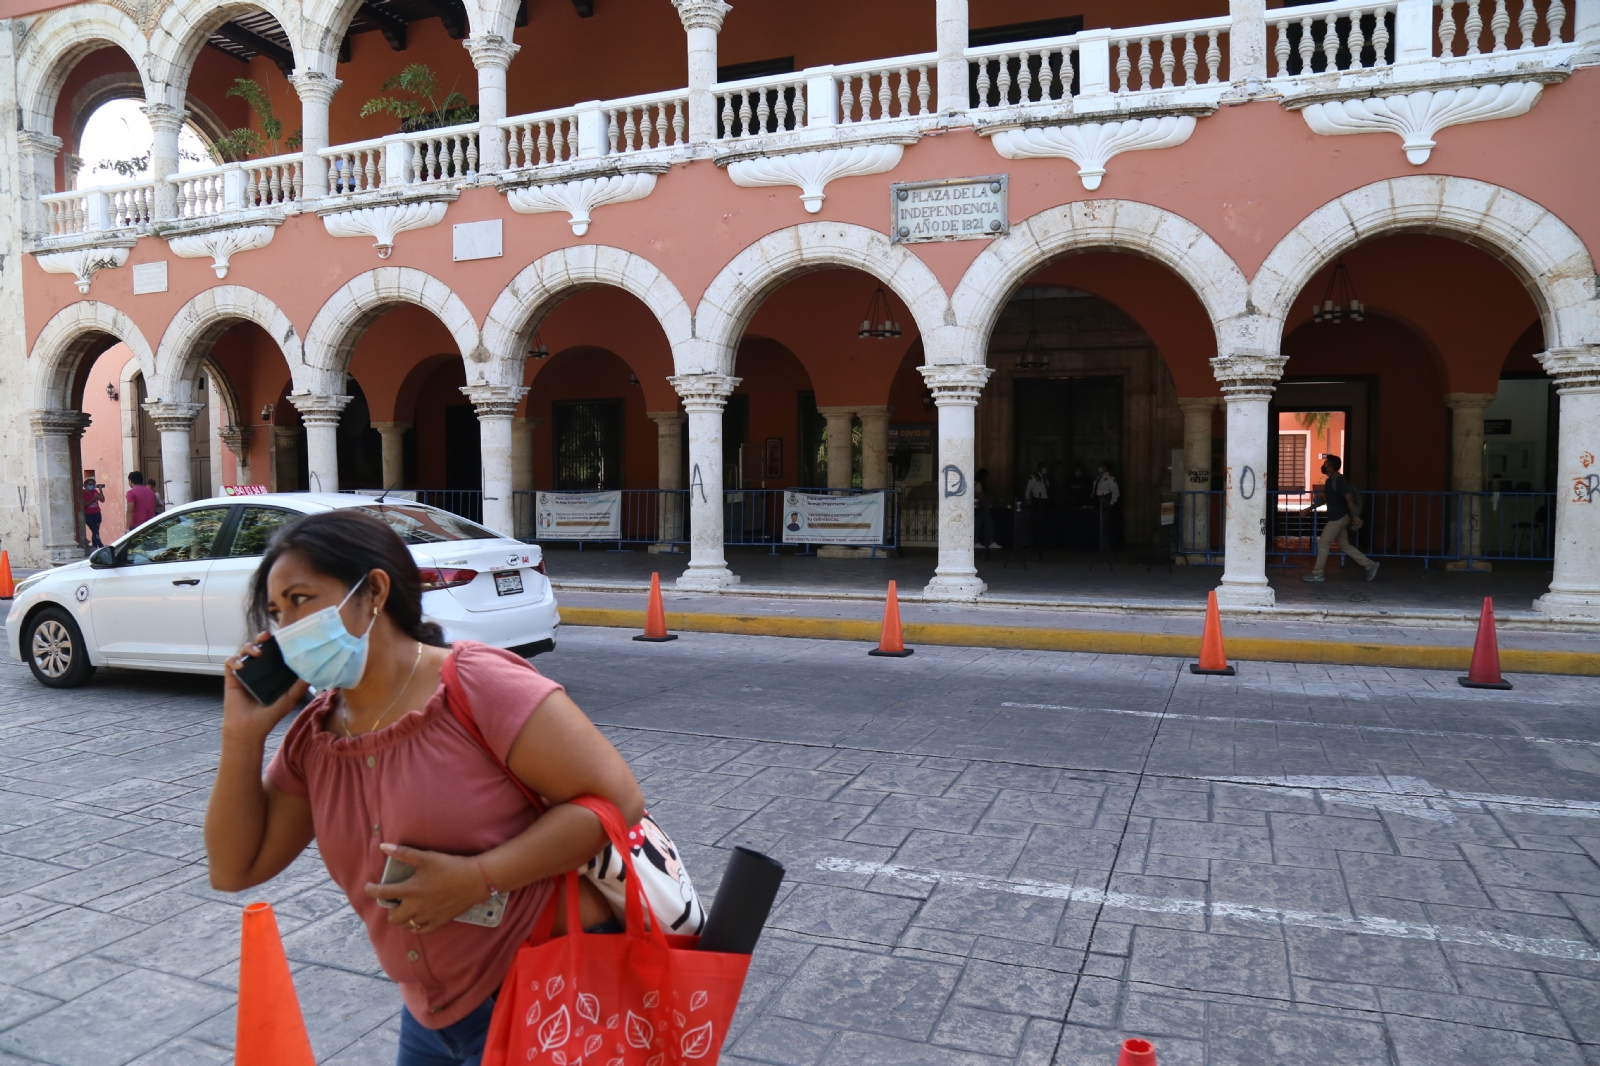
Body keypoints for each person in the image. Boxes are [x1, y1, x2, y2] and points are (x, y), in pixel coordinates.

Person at [204, 510, 646, 1066]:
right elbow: (234, 868)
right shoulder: (315, 738)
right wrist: (241, 736)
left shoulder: (475, 684)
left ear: (373, 593)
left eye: (300, 599)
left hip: (542, 986)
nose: (287, 626)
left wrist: (477, 879)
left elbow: (617, 800)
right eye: (274, 612)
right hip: (431, 1016)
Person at [1304, 453, 1379, 582]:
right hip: (1339, 517)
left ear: (1331, 468)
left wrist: (1355, 517)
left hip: (1338, 518)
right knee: (1344, 545)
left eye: (1326, 464)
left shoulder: (1340, 480)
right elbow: (1325, 499)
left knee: (1323, 543)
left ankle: (1317, 573)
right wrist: (1309, 509)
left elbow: (1349, 497)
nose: (1324, 466)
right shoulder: (1330, 481)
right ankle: (1370, 565)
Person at [1093, 461, 1120, 552]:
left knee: (1105, 524)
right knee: (1099, 525)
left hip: (1105, 501)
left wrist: (1111, 503)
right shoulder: (1098, 477)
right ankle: (1100, 545)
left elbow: (1115, 492)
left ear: (1106, 467)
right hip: (1098, 501)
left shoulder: (1109, 478)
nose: (1099, 468)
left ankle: (1106, 546)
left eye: (1101, 466)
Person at [973, 468, 1000, 549]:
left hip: (975, 507)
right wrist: (988, 497)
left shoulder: (973, 482)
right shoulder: (978, 484)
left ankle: (977, 542)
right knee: (988, 523)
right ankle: (991, 542)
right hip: (981, 507)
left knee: (978, 524)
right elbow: (980, 496)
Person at [82, 476, 105, 548]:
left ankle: (94, 546)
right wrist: (93, 499)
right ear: (85, 485)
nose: (91, 486)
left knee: (96, 531)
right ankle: (101, 546)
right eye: (89, 484)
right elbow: (84, 505)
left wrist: (100, 491)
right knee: (95, 531)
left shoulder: (95, 491)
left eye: (93, 484)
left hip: (97, 514)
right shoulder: (83, 493)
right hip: (89, 516)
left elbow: (102, 500)